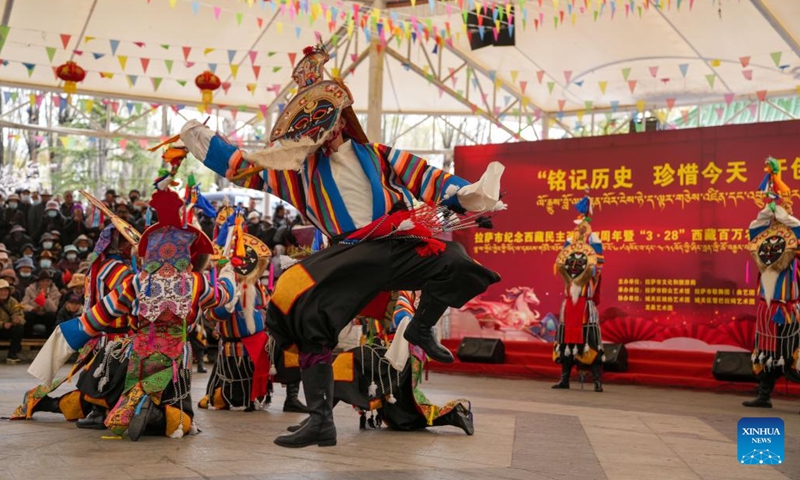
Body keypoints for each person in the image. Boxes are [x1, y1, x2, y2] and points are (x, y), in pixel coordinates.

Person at [180, 42, 503, 448]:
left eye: (327, 121)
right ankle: (321, 420)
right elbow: (245, 167)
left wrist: (469, 193)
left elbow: (428, 178)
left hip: (397, 242)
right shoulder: (297, 173)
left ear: (341, 119)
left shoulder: (377, 155)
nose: (324, 133)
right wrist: (202, 141)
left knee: (456, 261)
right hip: (349, 256)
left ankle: (421, 328)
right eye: (312, 128)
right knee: (304, 311)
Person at [23, 176, 238, 439]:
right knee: (179, 414)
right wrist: (228, 272)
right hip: (175, 356)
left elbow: (101, 314)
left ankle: (134, 404)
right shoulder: (196, 282)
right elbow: (224, 296)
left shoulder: (137, 281)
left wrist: (67, 337)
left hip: (140, 352)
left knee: (126, 391)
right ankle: (155, 412)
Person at [742, 159, 800, 410]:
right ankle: (764, 395)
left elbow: (796, 227)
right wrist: (769, 208)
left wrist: (783, 213)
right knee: (767, 352)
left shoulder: (795, 236)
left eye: (780, 214)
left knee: (793, 352)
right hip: (767, 307)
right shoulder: (763, 238)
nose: (776, 217)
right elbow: (754, 227)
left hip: (789, 307)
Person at [199, 231, 280, 411]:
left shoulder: (257, 286)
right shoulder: (227, 288)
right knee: (234, 374)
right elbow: (215, 314)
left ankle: (254, 398)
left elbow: (266, 306)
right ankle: (232, 399)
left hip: (257, 342)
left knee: (252, 373)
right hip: (233, 343)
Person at [551, 194, 605, 393]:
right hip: (570, 304)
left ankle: (597, 380)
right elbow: (562, 263)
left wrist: (587, 271)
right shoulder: (569, 242)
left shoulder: (595, 242)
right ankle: (564, 378)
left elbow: (597, 265)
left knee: (590, 340)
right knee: (565, 340)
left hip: (585, 305)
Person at [22, 270, 60, 337]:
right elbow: (24, 304)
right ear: (38, 282)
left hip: (46, 314)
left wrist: (46, 298)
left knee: (51, 316)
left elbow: (54, 309)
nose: (45, 283)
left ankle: (49, 338)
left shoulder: (55, 292)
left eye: (47, 281)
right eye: (42, 281)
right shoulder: (29, 289)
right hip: (34, 313)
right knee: (27, 316)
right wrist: (32, 309)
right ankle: (28, 338)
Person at [0, 279, 25, 364]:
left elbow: (19, 313)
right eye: (1, 290)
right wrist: (3, 324)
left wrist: (17, 319)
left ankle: (12, 354)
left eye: (6, 290)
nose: (4, 293)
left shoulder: (13, 301)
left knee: (19, 328)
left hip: (8, 328)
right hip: (2, 326)